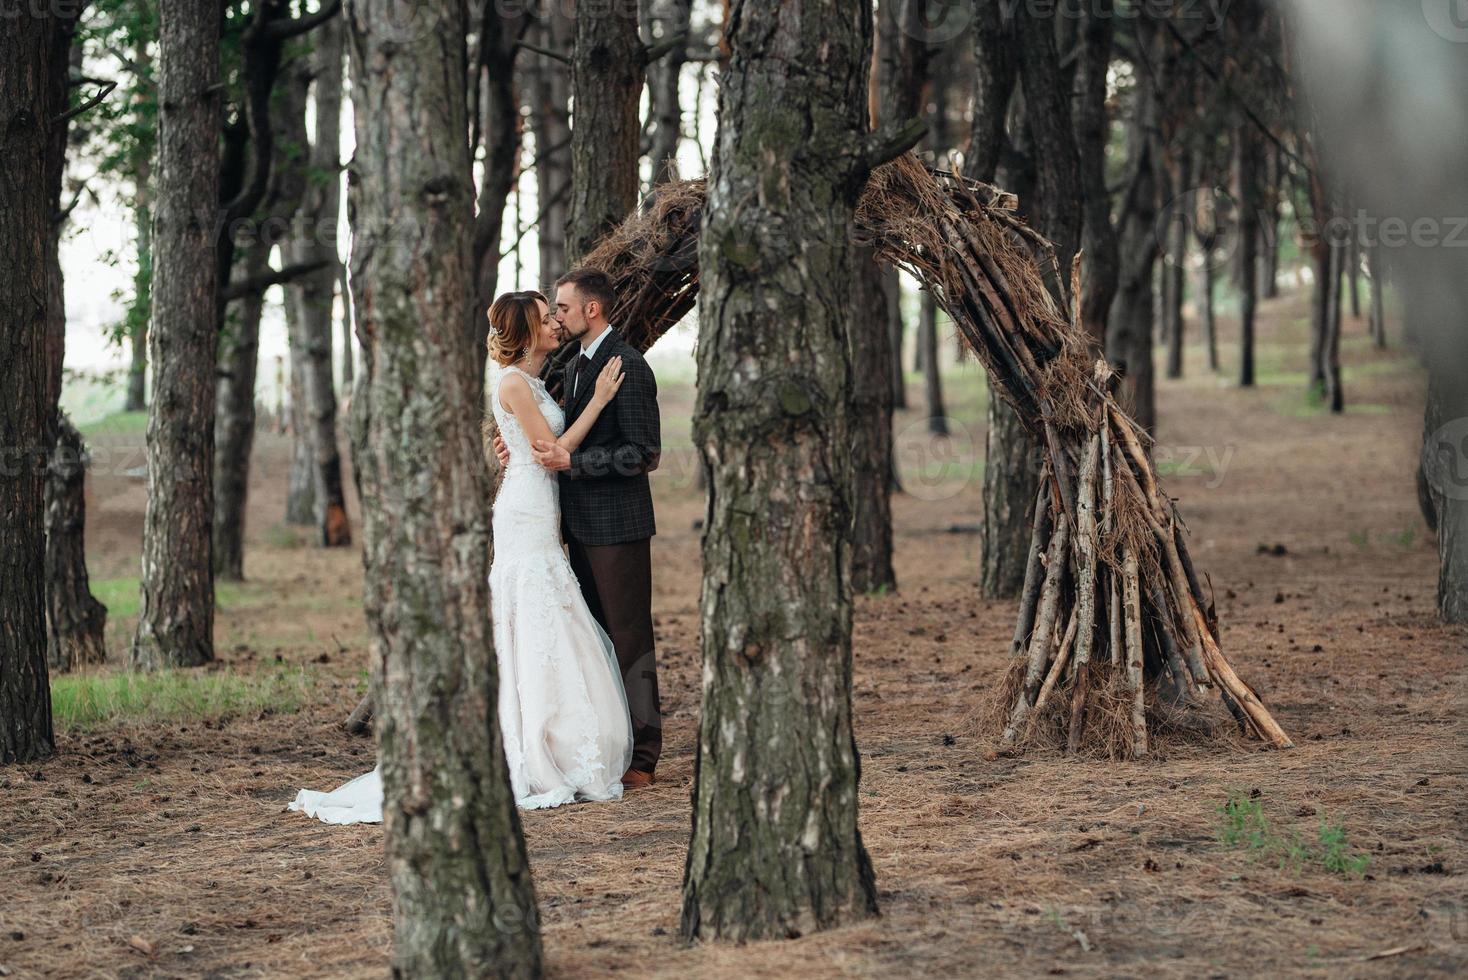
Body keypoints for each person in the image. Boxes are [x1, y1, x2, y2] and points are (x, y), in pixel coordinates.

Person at [289, 288, 635, 823]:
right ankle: (525, 739)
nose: (554, 326)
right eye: (545, 320)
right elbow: (550, 453)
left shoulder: (534, 381)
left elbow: (533, 442)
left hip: (540, 507)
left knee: (545, 612)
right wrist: (599, 401)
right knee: (530, 608)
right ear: (524, 331)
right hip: (525, 509)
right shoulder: (515, 383)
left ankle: (555, 730)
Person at [497, 267, 664, 788]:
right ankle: (596, 740)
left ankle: (643, 755)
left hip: (616, 523)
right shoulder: (569, 363)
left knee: (629, 634)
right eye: (550, 313)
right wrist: (515, 444)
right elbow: (538, 421)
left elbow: (644, 453)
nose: (557, 318)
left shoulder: (629, 367)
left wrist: (573, 464)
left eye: (562, 309)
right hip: (564, 523)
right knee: (590, 637)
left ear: (591, 309)